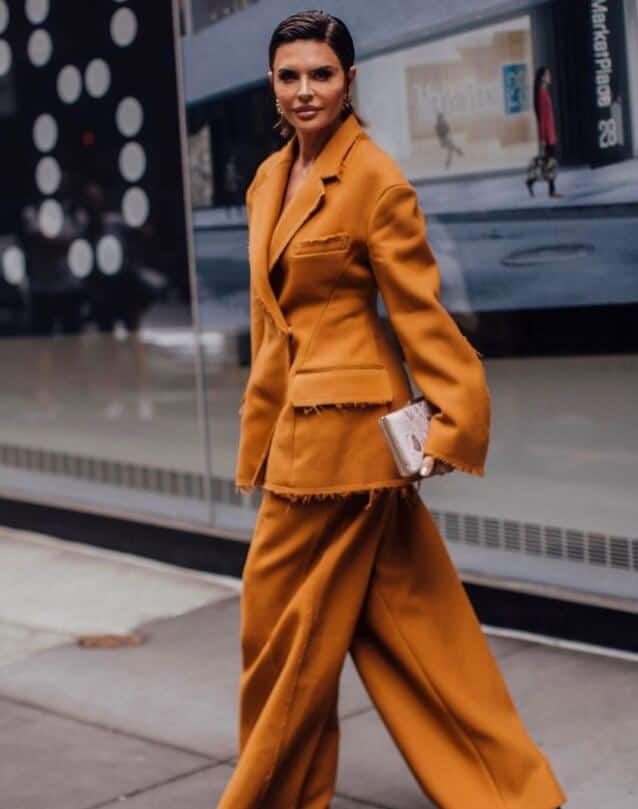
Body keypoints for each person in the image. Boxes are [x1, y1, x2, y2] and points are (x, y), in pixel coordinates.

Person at [220, 11, 567, 809]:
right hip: (297, 437)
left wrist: (452, 414)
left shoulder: (374, 177)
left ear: (349, 81)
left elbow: (420, 311)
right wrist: (255, 433)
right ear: (273, 85)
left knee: (283, 638)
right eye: (290, 76)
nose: (305, 91)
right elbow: (273, 327)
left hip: (345, 447)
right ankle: (514, 795)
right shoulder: (268, 180)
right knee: (420, 630)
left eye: (322, 74)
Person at [526, 66, 562, 199]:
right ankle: (549, 190)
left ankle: (533, 182)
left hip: (550, 133)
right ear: (542, 77)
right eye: (548, 74)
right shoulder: (541, 94)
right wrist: (542, 139)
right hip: (547, 135)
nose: (549, 77)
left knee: (549, 164)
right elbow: (541, 119)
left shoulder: (544, 92)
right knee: (549, 163)